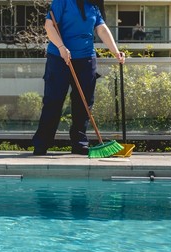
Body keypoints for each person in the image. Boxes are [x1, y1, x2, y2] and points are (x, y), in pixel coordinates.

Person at [32, 0, 125, 155]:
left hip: (86, 59)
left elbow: (101, 29)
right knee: (53, 101)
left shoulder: (93, 5)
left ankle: (79, 143)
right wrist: (62, 48)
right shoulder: (62, 2)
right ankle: (42, 143)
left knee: (84, 103)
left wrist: (115, 51)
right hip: (59, 57)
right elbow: (49, 26)